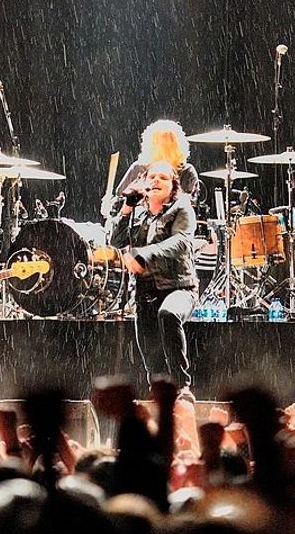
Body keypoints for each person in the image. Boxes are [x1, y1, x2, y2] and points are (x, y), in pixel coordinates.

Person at [109, 161, 197, 394]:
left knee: (168, 314)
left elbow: (180, 243)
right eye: (152, 177)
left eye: (163, 178)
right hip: (145, 293)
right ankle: (160, 397)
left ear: (173, 186)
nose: (156, 180)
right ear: (144, 184)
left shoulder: (181, 208)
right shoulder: (138, 213)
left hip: (179, 288)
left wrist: (142, 255)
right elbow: (115, 241)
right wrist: (127, 207)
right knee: (152, 357)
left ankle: (183, 387)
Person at [102, 119, 199, 219]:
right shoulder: (139, 168)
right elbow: (120, 202)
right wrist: (109, 204)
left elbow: (192, 207)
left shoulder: (186, 172)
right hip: (138, 227)